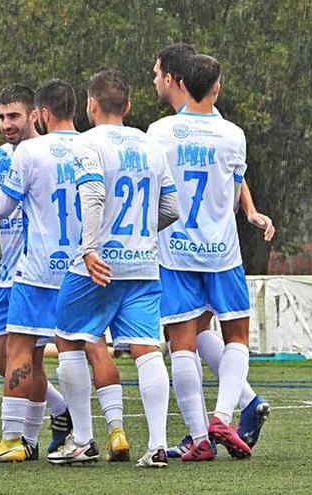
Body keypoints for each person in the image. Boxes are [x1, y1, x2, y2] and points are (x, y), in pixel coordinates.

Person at [49, 70, 180, 467]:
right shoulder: (150, 146)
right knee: (146, 349)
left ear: (90, 105)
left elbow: (91, 195)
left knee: (69, 339)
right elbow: (172, 209)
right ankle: (157, 445)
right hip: (142, 263)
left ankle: (84, 440)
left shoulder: (85, 144)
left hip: (98, 263)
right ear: (127, 106)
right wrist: (140, 235)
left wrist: (90, 249)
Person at [150, 43, 272, 456]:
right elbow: (233, 182)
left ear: (180, 83)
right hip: (222, 251)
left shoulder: (160, 133)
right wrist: (252, 214)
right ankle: (223, 414)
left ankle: (200, 438)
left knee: (182, 343)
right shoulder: (233, 135)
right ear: (217, 88)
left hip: (175, 253)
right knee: (236, 335)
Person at [0, 84, 73, 457]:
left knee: (28, 353)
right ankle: (60, 408)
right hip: (8, 271)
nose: (6, 124)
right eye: (0, 117)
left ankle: (25, 439)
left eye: (13, 116)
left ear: (35, 115)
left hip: (37, 270)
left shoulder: (43, 153)